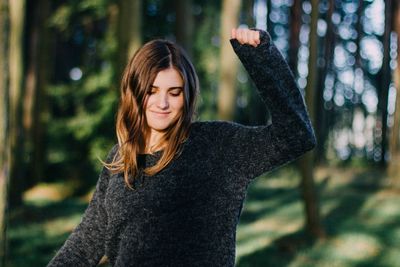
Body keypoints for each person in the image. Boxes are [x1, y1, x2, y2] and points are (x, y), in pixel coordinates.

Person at [47, 27, 316, 267]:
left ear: (187, 96)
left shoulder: (219, 146)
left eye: (174, 92)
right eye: (151, 91)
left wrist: (262, 59)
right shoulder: (120, 159)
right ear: (134, 93)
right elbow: (85, 243)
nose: (162, 103)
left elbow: (296, 135)